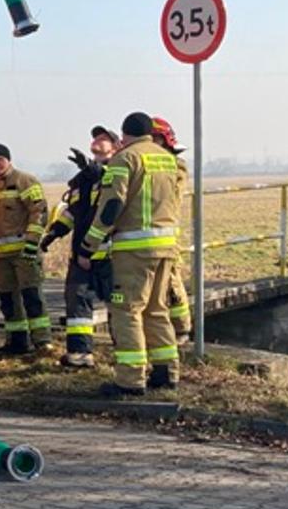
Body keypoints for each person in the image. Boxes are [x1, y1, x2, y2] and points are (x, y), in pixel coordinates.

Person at [83, 112, 186, 396]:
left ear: (125, 134)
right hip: (166, 247)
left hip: (134, 250)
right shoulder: (168, 159)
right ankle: (166, 372)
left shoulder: (125, 158)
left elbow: (112, 206)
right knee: (157, 310)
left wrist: (88, 245)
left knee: (127, 311)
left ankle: (130, 380)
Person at [40, 126, 117, 367]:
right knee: (77, 301)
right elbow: (74, 213)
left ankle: (127, 355)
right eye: (94, 138)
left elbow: (112, 203)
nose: (97, 142)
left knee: (119, 305)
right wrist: (54, 232)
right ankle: (80, 355)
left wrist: (90, 168)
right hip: (81, 254)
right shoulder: (82, 181)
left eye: (103, 139)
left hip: (109, 254)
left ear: (115, 147)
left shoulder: (117, 171)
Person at [0, 144, 52, 353]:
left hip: (24, 253)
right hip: (1, 257)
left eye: (0, 159)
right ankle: (17, 342)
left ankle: (42, 342)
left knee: (32, 297)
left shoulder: (24, 181)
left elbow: (39, 211)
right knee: (8, 301)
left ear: (8, 160)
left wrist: (32, 242)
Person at [150, 117, 194, 341]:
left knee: (171, 279)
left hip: (165, 234)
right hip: (153, 233)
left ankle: (182, 327)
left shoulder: (175, 166)